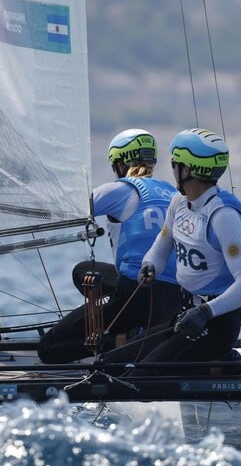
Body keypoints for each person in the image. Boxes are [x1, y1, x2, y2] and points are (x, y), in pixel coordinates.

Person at [99, 128, 241, 375]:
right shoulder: (178, 203)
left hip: (215, 323)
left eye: (174, 164)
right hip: (184, 316)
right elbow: (162, 245)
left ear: (186, 169)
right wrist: (151, 265)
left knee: (138, 378)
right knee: (110, 363)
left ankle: (224, 360)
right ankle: (208, 364)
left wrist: (206, 312)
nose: (172, 170)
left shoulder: (223, 216)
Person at [37, 129, 183, 363]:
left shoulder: (121, 190)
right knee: (82, 272)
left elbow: (64, 208)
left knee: (49, 348)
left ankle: (122, 340)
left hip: (137, 297)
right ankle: (143, 333)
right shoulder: (173, 194)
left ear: (120, 163)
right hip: (173, 299)